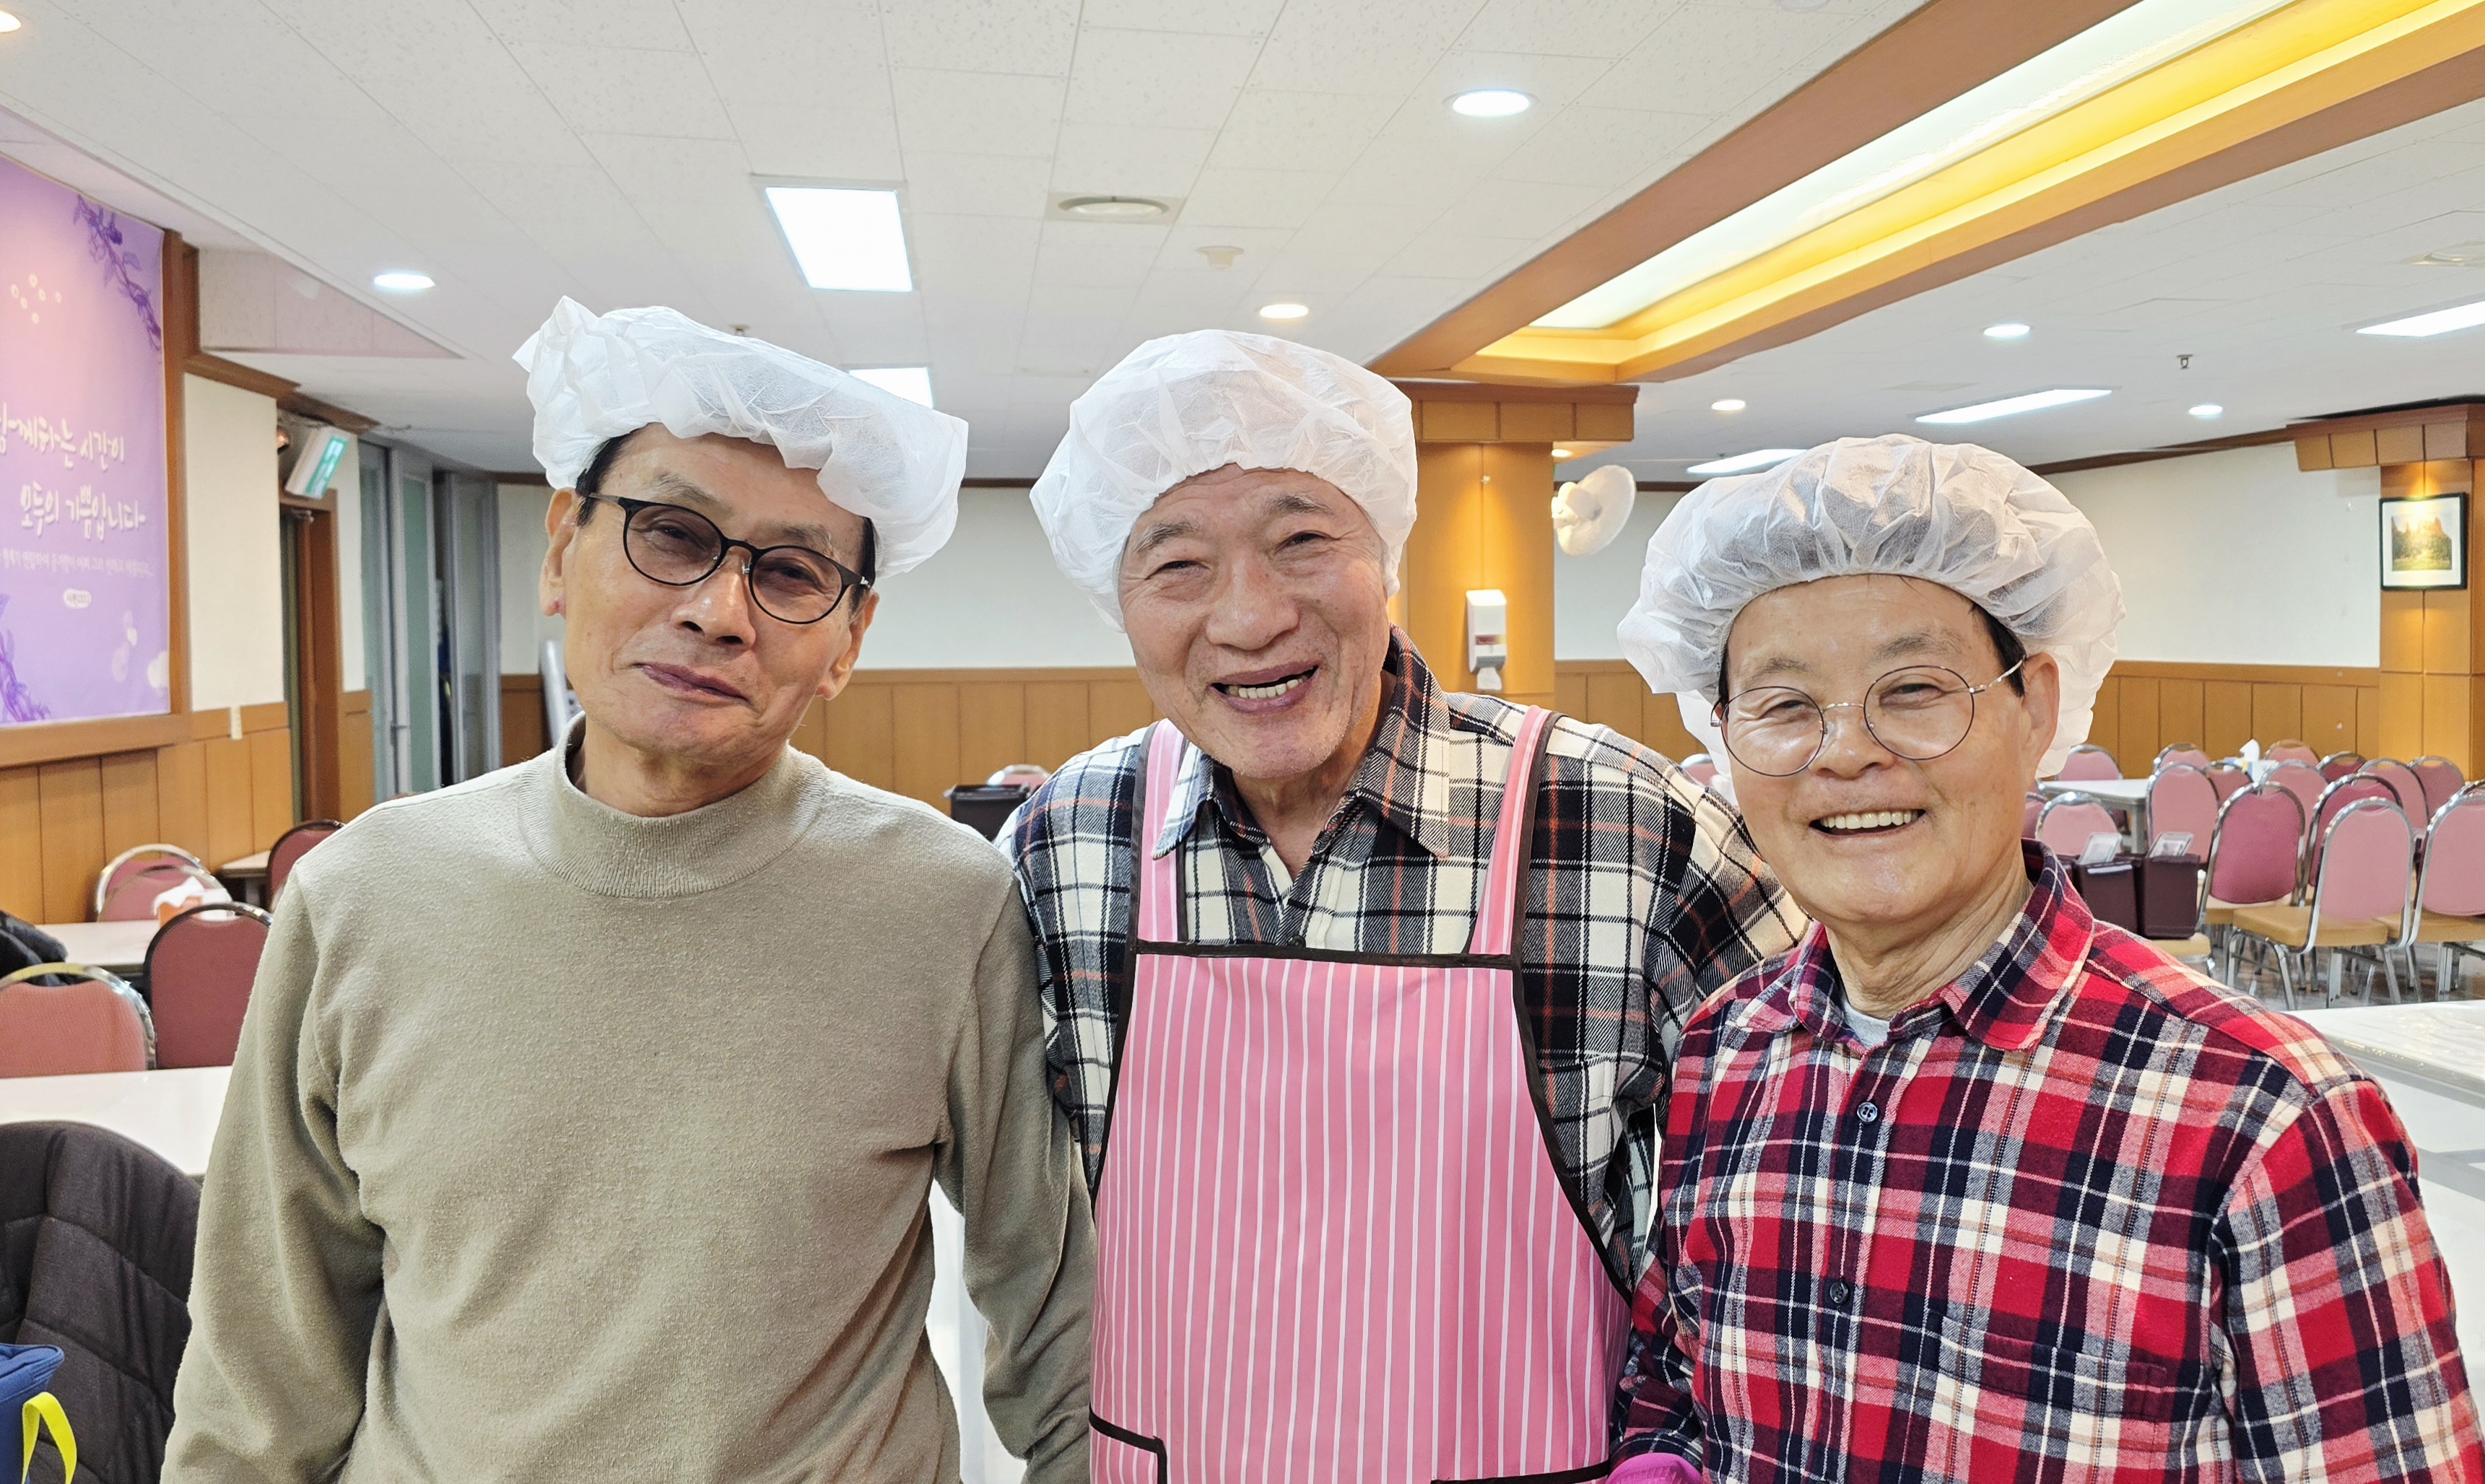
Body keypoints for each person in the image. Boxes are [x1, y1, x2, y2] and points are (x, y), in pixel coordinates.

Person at [165, 300, 1093, 1483]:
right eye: (670, 536)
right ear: (562, 552)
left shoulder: (943, 905)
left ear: (849, 640)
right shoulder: (365, 896)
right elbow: (261, 1366)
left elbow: (1059, 1314)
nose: (717, 611)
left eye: (793, 573)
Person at [1609, 433, 2481, 1483]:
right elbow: (1675, 1387)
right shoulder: (1724, 1051)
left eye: (1913, 689)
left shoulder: (2262, 1114)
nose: (1845, 752)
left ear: (2037, 707)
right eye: (1786, 705)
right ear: (1722, 735)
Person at [1009, 328, 1801, 1480]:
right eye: (1176, 565)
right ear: (1116, 602)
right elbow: (1012, 1230)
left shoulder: (1624, 823)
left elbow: (1778, 1233)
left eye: (1300, 541)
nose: (1249, 617)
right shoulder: (1069, 841)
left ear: (1382, 558)